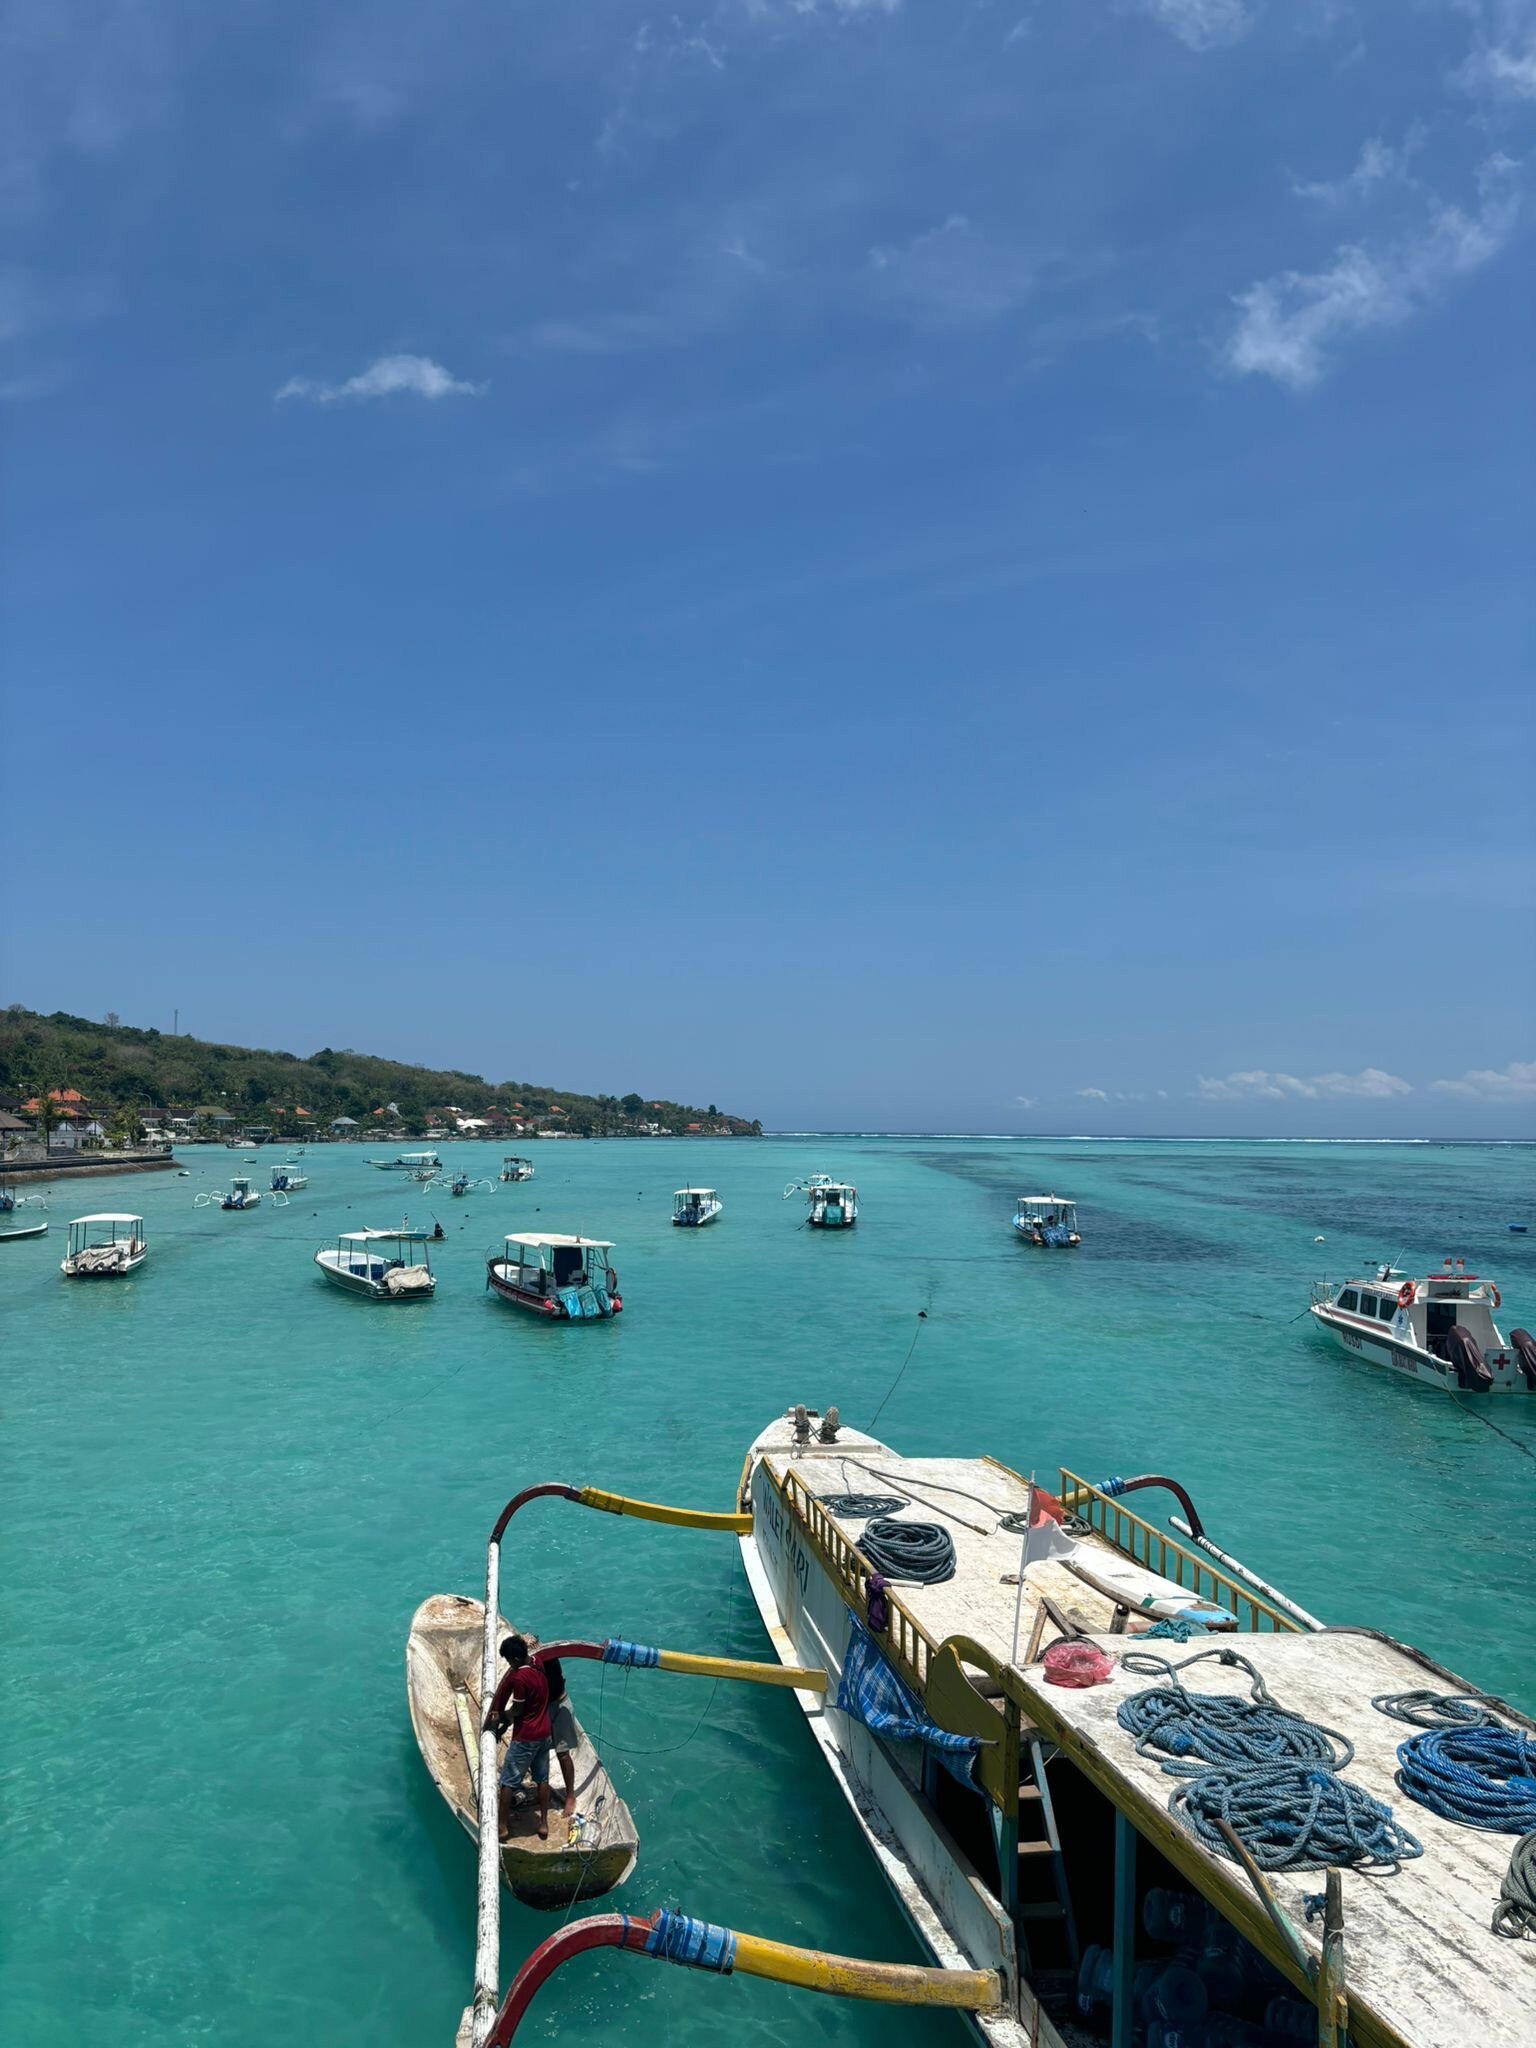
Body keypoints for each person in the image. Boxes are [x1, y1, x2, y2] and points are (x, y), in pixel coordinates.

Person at [483, 1635, 551, 1841]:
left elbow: (518, 1709)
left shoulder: (520, 1679)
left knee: (508, 1782)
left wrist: (501, 1718)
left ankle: (502, 1828)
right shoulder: (537, 1663)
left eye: (508, 1661)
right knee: (542, 1778)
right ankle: (544, 1824)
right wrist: (505, 1725)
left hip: (526, 1736)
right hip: (544, 1732)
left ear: (513, 1659)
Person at [541, 1653, 579, 1819]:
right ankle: (542, 1789)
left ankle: (570, 1795)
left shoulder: (548, 1658)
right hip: (542, 1708)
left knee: (563, 1754)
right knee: (539, 1751)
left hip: (560, 1705)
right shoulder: (528, 1663)